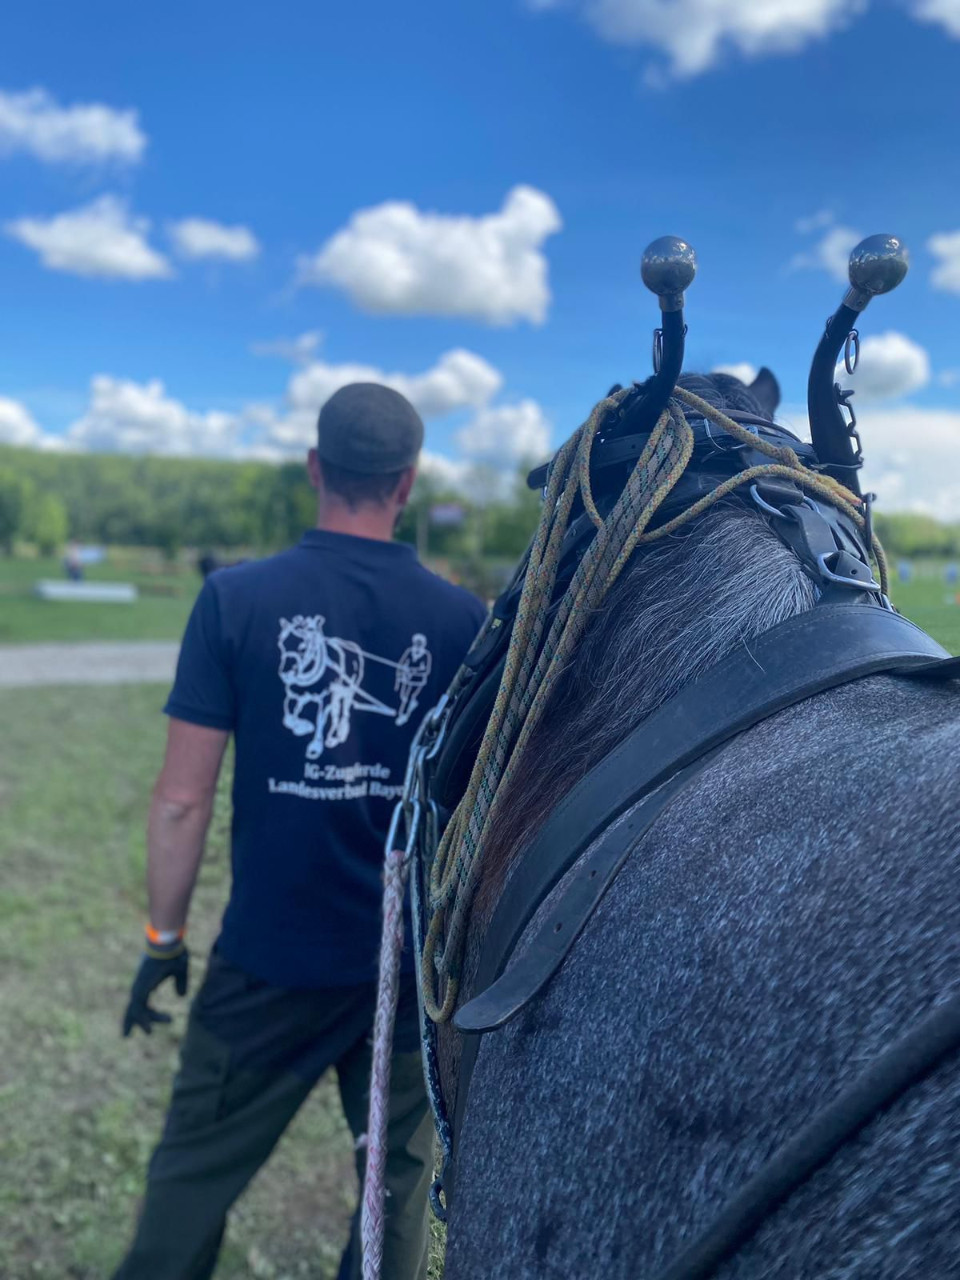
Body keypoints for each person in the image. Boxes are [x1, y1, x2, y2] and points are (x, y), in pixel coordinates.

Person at [114, 383, 487, 1280]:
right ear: (406, 482)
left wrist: (164, 940)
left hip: (266, 964)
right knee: (393, 1201)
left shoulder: (233, 600)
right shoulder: (463, 622)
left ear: (316, 468)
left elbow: (179, 801)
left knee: (190, 1182)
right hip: (399, 973)